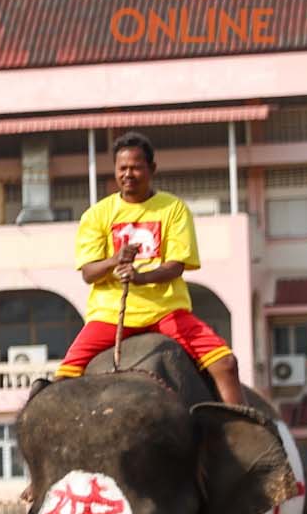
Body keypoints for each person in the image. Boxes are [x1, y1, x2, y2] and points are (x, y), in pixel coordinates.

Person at [59, 131, 245, 404]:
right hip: (110, 314)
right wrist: (115, 260)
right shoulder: (97, 214)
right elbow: (89, 273)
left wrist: (141, 277)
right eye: (122, 168)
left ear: (152, 169)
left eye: (136, 167)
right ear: (115, 170)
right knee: (63, 377)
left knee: (226, 363)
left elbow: (176, 266)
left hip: (166, 311)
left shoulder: (173, 209)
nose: (128, 174)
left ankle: (242, 430)